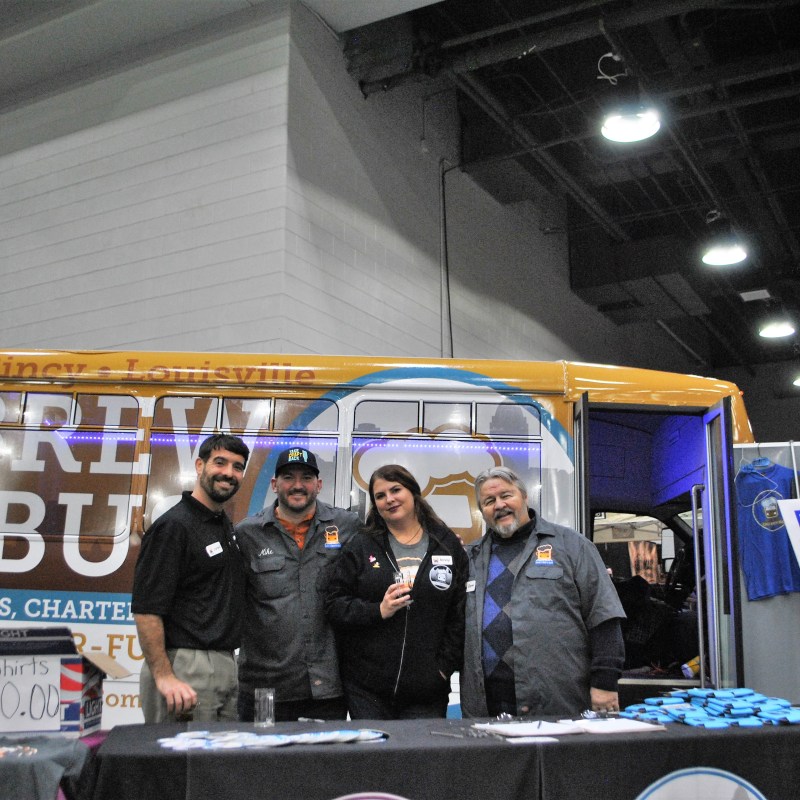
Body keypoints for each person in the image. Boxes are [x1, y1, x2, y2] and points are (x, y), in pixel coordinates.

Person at [461, 466, 625, 719]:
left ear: (525, 497)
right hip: (486, 703)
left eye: (507, 495)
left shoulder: (572, 546)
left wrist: (605, 681)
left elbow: (604, 615)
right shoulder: (469, 558)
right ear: (482, 511)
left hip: (557, 699)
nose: (499, 505)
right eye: (489, 501)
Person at [324, 464, 468, 719]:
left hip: (427, 690)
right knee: (375, 758)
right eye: (380, 496)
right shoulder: (361, 544)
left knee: (419, 758)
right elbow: (334, 605)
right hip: (367, 689)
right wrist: (377, 610)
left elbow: (460, 614)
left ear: (413, 492)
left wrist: (444, 669)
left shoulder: (446, 545)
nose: (389, 499)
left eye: (395, 490)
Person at [235, 446, 360, 722]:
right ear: (274, 484)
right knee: (260, 761)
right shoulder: (247, 534)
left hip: (327, 688)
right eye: (288, 477)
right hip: (263, 687)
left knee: (322, 763)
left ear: (318, 484)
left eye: (306, 478)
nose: (297, 486)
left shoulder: (347, 526)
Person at [132, 433, 250, 723]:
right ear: (200, 465)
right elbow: (146, 609)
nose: (229, 473)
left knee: (215, 768)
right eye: (220, 463)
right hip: (185, 668)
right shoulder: (174, 526)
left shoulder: (221, 523)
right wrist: (164, 676)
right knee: (180, 767)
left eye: (238, 467)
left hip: (224, 664)